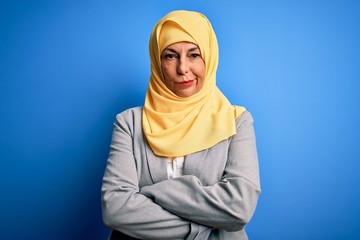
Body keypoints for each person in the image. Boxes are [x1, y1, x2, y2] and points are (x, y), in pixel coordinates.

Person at [101, 10, 261, 240]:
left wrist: (152, 194)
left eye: (194, 55)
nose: (183, 68)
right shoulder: (129, 123)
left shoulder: (236, 122)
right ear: (157, 62)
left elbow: (239, 209)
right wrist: (200, 228)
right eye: (170, 56)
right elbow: (115, 210)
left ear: (209, 57)